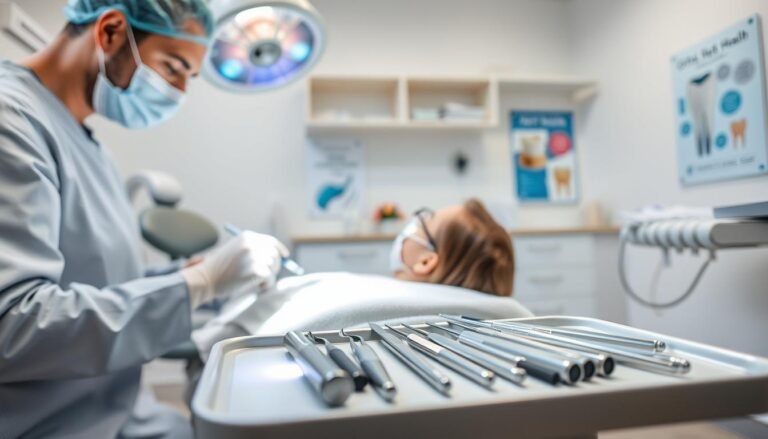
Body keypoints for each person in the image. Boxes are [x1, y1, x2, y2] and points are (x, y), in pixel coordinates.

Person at [0, 1, 291, 438]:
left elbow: (100, 279)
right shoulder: (12, 122)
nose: (179, 92)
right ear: (112, 31)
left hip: (122, 410)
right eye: (173, 67)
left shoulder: (91, 147)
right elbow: (15, 326)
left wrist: (188, 277)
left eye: (189, 78)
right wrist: (198, 285)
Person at [191, 198, 518, 357]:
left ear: (427, 261)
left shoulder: (350, 292)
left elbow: (225, 338)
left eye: (424, 220)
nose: (413, 226)